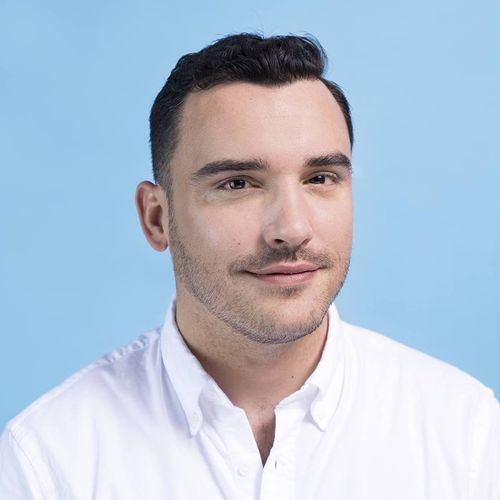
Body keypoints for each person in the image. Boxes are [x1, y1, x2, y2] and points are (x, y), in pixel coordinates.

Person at [0, 33, 498, 500]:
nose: (292, 229)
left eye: (320, 178)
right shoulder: (48, 462)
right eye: (237, 183)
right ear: (156, 218)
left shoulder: (466, 435)